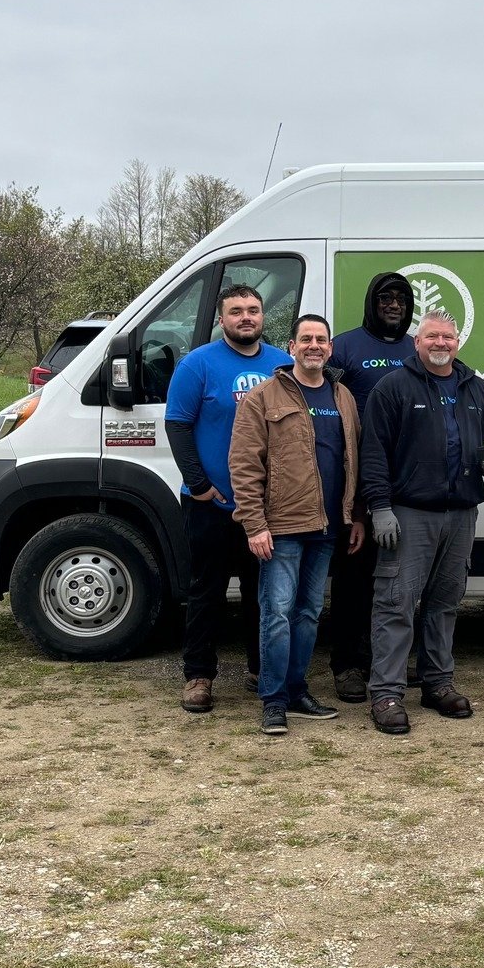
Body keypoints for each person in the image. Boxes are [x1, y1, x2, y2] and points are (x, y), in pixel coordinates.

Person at [359, 308, 484, 735]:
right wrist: (379, 506)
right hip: (409, 514)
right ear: (417, 342)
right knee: (395, 603)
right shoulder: (393, 388)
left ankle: (437, 683)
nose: (440, 343)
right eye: (432, 337)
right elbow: (373, 452)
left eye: (447, 337)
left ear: (457, 343)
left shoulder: (475, 388)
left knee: (445, 604)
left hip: (461, 514)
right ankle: (387, 693)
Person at [229, 313, 364, 735]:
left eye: (321, 340)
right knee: (277, 614)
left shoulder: (342, 396)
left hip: (327, 527)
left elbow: (353, 460)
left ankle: (297, 689)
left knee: (307, 614)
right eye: (306, 339)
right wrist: (254, 525)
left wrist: (355, 514)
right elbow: (244, 465)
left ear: (329, 348)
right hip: (282, 527)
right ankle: (273, 699)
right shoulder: (264, 398)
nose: (314, 346)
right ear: (291, 347)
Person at [165, 284, 291, 713]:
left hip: (266, 507)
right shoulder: (197, 364)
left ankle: (263, 669)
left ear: (262, 317)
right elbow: (178, 426)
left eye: (253, 310)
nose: (246, 318)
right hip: (209, 504)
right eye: (236, 311)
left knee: (265, 593)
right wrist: (199, 484)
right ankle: (199, 675)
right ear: (223, 319)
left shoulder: (283, 366)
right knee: (207, 592)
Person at [327, 272, 417, 703]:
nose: (394, 305)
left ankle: (393, 661)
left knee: (401, 581)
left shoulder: (418, 350)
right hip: (356, 486)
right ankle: (348, 664)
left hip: (409, 486)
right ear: (371, 303)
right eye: (385, 298)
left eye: (401, 298)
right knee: (354, 580)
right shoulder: (344, 348)